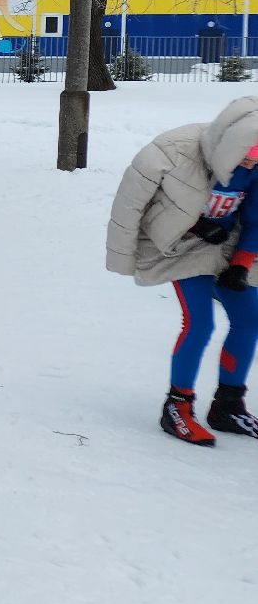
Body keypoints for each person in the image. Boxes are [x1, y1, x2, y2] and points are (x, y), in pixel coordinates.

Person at [105, 96, 258, 445]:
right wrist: (122, 255)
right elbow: (129, 202)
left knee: (250, 319)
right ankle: (177, 406)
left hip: (227, 247)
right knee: (200, 322)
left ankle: (228, 405)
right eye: (251, 152)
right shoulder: (176, 149)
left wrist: (241, 264)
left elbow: (256, 220)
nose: (253, 163)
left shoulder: (255, 171)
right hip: (177, 248)